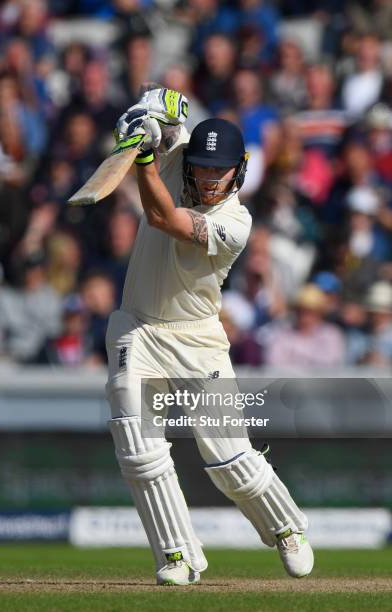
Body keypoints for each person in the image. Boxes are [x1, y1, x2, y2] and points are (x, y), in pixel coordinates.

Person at [106, 87, 314, 586]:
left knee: (227, 461)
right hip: (137, 325)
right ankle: (177, 556)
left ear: (238, 171)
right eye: (200, 166)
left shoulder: (235, 222)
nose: (206, 177)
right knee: (138, 448)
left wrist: (146, 156)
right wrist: (142, 119)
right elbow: (165, 106)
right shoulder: (176, 157)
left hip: (197, 339)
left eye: (217, 170)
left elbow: (162, 217)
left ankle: (287, 527)